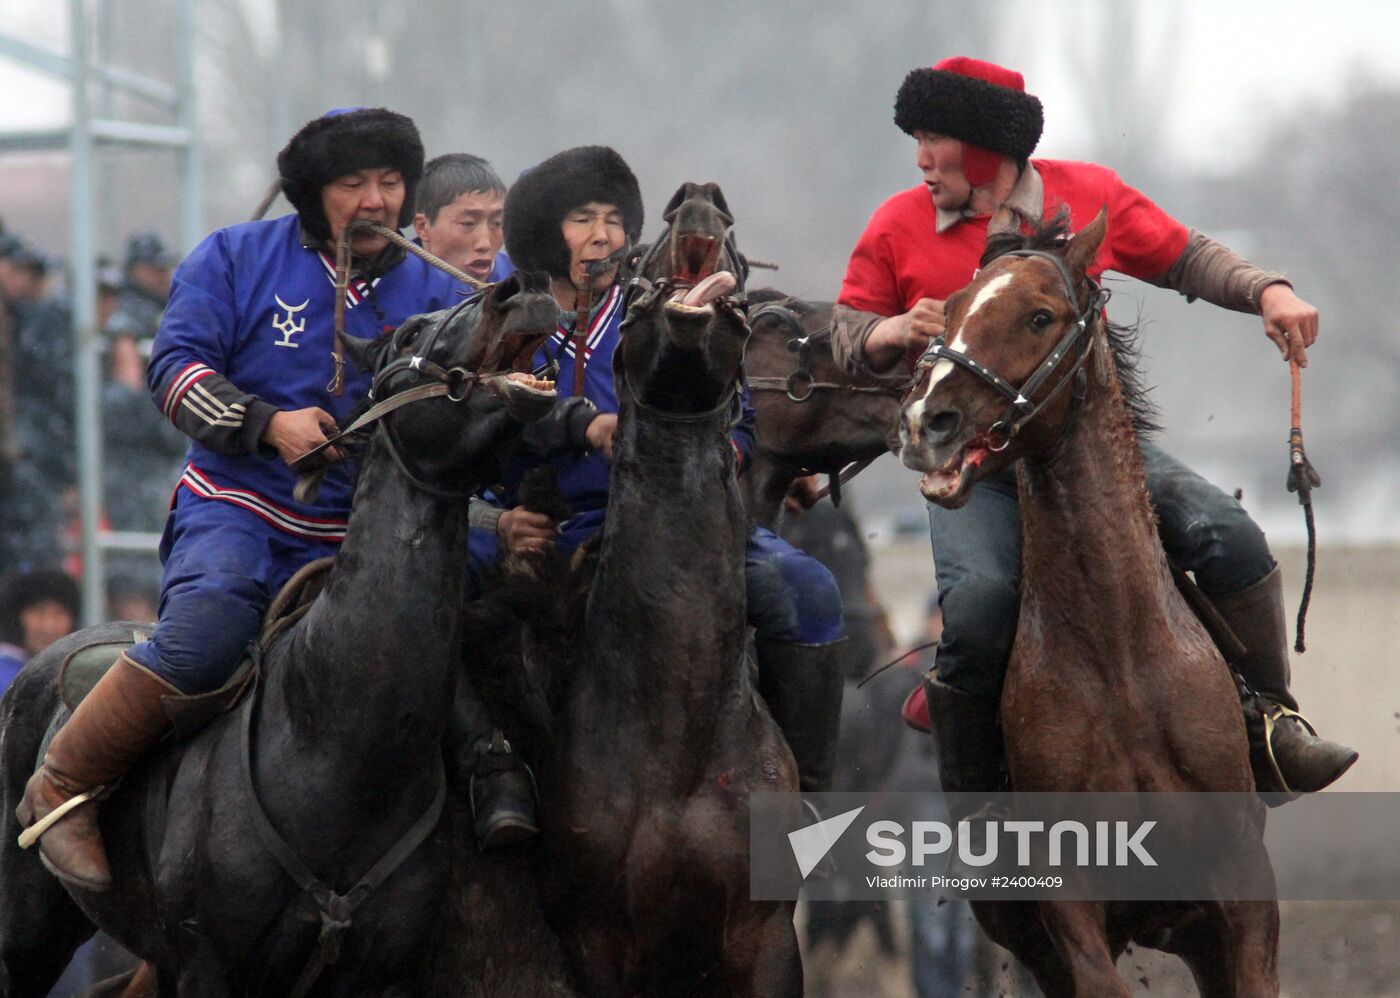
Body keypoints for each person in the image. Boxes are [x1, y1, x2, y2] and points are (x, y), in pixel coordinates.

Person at [833, 57, 1355, 804]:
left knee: (1226, 533)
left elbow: (1186, 256)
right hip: (979, 469)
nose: (919, 158)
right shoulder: (896, 225)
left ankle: (1270, 724)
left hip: (1097, 452)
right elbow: (845, 329)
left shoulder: (1089, 194)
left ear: (984, 147)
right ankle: (980, 806)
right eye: (916, 138)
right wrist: (885, 331)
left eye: (933, 139)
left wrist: (1266, 289)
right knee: (977, 609)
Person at [16, 107, 468, 891]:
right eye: (352, 183)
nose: (374, 201)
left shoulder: (440, 289)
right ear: (311, 192)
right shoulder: (233, 256)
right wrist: (267, 425)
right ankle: (61, 784)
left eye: (390, 182)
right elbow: (176, 371)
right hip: (239, 503)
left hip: (373, 531)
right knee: (206, 630)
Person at [461, 145, 845, 847]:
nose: (602, 234)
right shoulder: (510, 312)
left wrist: (714, 455)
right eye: (583, 219)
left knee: (808, 588)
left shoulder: (656, 310)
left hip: (683, 520)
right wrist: (583, 429)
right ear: (548, 231)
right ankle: (495, 768)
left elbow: (739, 421)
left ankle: (804, 804)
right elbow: (495, 410)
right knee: (453, 595)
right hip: (559, 526)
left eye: (612, 219)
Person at [412, 152, 514, 283]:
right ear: (423, 227)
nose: (485, 244)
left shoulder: (524, 282)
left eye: (497, 223)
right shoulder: (393, 286)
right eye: (468, 223)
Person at [0, 569, 80, 695]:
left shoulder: (80, 676)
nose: (48, 626)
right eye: (38, 612)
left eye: (59, 613)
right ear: (16, 617)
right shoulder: (3, 673)